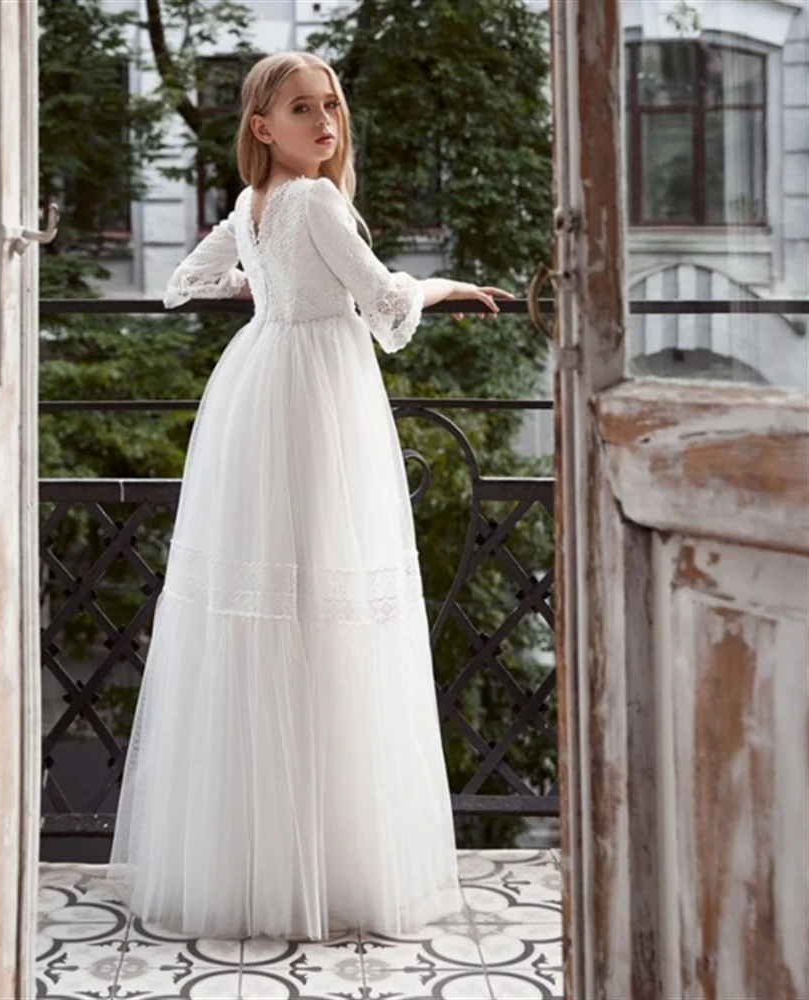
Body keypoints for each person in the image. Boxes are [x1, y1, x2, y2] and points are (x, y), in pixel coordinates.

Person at [107, 49, 514, 943]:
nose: (325, 121)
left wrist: (256, 288)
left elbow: (182, 286)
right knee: (329, 600)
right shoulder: (311, 199)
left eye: (330, 105)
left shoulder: (254, 207)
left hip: (258, 386)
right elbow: (384, 303)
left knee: (273, 600)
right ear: (262, 128)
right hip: (323, 399)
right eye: (301, 109)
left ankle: (255, 863)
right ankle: (337, 863)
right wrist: (447, 285)